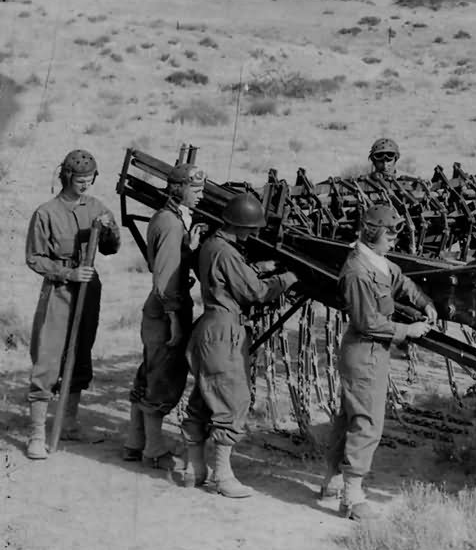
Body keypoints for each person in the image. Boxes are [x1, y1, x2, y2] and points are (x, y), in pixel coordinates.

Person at [318, 203, 435, 520]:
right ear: (374, 233)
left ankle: (332, 479)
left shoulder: (377, 262)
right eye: (391, 233)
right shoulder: (358, 271)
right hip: (365, 350)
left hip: (371, 352)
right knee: (367, 422)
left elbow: (400, 280)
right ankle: (352, 497)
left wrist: (423, 302)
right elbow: (368, 322)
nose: (395, 239)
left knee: (349, 418)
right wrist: (407, 330)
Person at [177, 191, 297, 496]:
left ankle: (194, 469)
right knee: (232, 397)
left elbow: (235, 277)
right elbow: (254, 292)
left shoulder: (213, 245)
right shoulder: (227, 252)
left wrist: (263, 267)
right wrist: (287, 279)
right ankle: (223, 476)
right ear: (242, 226)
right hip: (225, 330)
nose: (254, 234)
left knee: (206, 395)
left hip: (210, 326)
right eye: (252, 228)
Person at [24, 149, 122, 460]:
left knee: (81, 353)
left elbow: (111, 248)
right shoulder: (46, 213)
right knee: (49, 356)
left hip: (88, 290)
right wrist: (67, 272)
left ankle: (69, 423)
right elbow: (34, 257)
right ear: (66, 177)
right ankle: (38, 433)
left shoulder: (97, 207)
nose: (84, 185)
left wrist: (109, 230)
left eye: (89, 180)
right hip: (59, 290)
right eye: (79, 180)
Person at [125, 162, 206, 468]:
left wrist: (189, 246)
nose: (199, 195)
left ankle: (134, 442)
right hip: (166, 309)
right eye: (195, 189)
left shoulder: (167, 217)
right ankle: (154, 450)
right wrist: (174, 316)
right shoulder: (172, 225)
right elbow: (166, 276)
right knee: (165, 376)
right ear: (178, 188)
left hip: (157, 308)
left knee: (149, 371)